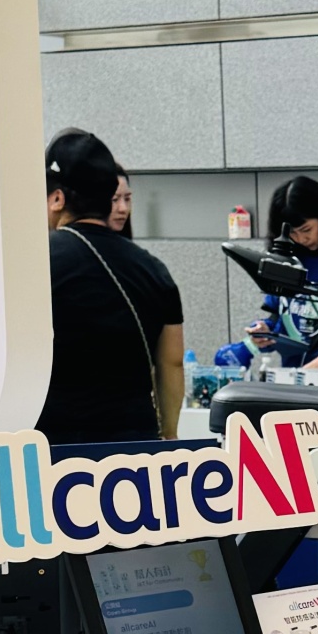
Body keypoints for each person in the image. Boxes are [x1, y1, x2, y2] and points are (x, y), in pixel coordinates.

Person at [38, 129, 184, 443]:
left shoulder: (36, 262)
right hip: (136, 446)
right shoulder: (154, 269)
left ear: (58, 198)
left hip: (56, 446)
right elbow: (171, 362)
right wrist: (169, 432)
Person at [247, 176, 318, 366]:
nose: (301, 239)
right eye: (292, 233)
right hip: (294, 374)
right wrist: (265, 332)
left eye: (306, 230)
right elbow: (278, 315)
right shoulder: (286, 260)